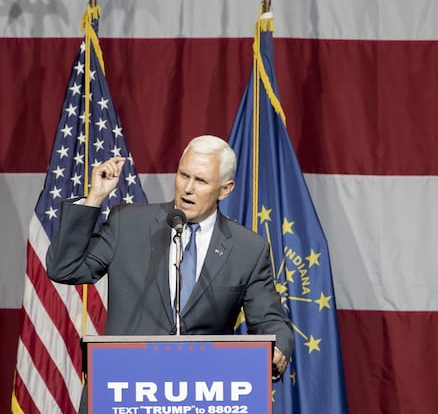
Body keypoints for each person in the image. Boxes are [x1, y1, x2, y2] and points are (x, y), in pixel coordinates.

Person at [47, 135, 294, 410]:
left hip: (201, 397)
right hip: (125, 392)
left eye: (201, 181)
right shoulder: (127, 224)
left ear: (225, 190)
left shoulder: (248, 248)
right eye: (184, 175)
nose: (188, 188)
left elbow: (270, 319)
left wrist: (278, 348)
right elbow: (64, 268)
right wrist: (94, 198)